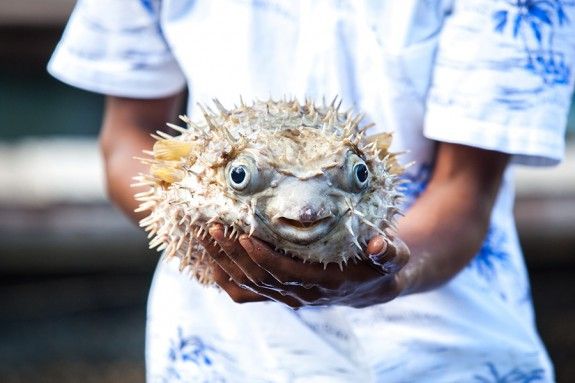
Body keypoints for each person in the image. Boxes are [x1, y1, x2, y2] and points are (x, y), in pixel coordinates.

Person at [48, 0, 575, 381]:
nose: (302, 210)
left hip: (445, 355)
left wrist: (390, 275)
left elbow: (467, 190)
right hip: (219, 355)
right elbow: (127, 137)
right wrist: (193, 229)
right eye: (242, 179)